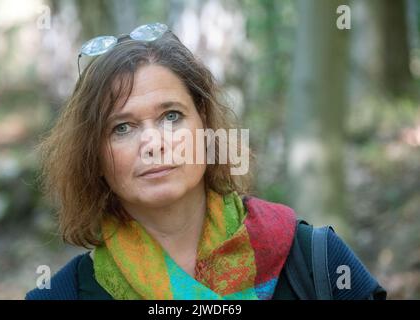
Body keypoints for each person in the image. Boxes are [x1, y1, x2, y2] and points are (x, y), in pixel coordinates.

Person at [26, 23, 386, 300]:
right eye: (122, 127)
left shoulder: (316, 260)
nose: (154, 143)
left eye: (171, 116)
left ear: (205, 124)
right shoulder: (62, 294)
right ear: (94, 155)